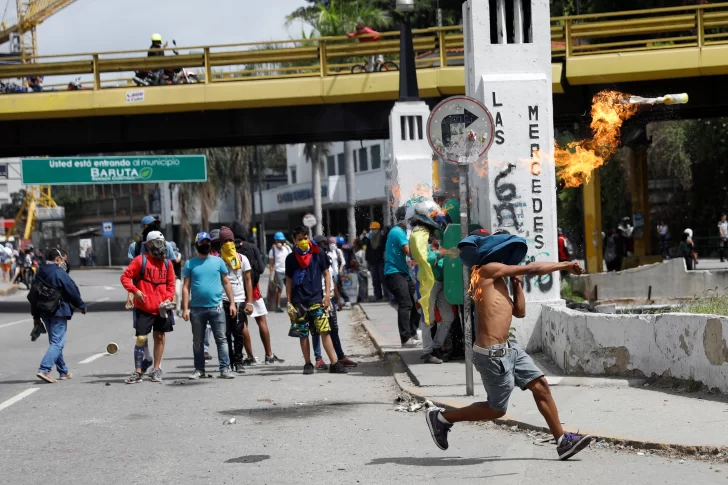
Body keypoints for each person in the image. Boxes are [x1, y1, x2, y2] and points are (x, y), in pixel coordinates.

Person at [425, 232, 592, 460]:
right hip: (492, 355)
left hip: (509, 348)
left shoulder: (499, 277)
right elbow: (533, 269)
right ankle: (443, 418)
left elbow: (519, 312)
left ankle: (562, 441)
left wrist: (517, 285)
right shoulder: (484, 271)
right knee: (497, 409)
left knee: (540, 385)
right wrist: (564, 265)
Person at [285, 226, 348, 375]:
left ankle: (334, 363)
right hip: (299, 301)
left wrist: (327, 296)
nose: (303, 241)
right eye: (299, 239)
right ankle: (308, 363)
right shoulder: (291, 258)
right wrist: (289, 302)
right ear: (294, 241)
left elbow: (326, 274)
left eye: (305, 238)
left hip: (317, 300)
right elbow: (288, 281)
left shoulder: (317, 253)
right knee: (303, 333)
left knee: (325, 330)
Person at [120, 231, 176, 384]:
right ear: (149, 244)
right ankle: (138, 372)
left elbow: (171, 284)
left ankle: (156, 369)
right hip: (144, 308)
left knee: (159, 337)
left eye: (163, 242)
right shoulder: (140, 261)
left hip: (162, 308)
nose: (162, 246)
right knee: (141, 338)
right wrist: (135, 291)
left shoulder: (167, 263)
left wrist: (169, 299)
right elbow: (125, 277)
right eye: (158, 242)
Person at [181, 232, 237, 380]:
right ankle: (199, 370)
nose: (205, 244)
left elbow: (226, 282)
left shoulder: (218, 261)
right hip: (197, 309)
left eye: (207, 242)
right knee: (198, 342)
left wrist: (232, 303)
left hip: (217, 307)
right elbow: (186, 287)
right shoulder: (189, 264)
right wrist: (185, 308)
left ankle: (224, 369)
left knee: (222, 339)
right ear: (196, 244)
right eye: (202, 242)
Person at [32, 248, 87, 383]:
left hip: (44, 311)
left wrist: (36, 316)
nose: (64, 263)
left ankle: (63, 371)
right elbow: (71, 290)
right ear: (57, 259)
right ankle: (44, 369)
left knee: (54, 342)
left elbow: (33, 295)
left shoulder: (39, 272)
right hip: (58, 311)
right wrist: (81, 305)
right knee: (58, 342)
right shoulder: (59, 272)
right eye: (64, 260)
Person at [232, 227, 284, 366]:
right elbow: (261, 268)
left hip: (237, 292)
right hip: (254, 290)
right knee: (261, 321)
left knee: (243, 324)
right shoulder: (252, 247)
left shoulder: (229, 249)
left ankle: (250, 357)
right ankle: (269, 355)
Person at [408, 201, 452, 364]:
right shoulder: (418, 234)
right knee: (428, 318)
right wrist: (439, 254)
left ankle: (437, 347)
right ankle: (428, 351)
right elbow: (424, 258)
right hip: (429, 281)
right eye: (433, 215)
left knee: (448, 317)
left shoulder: (430, 232)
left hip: (440, 278)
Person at [311, 235, 359, 370]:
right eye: (322, 244)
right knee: (317, 331)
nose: (325, 246)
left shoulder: (328, 259)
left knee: (333, 329)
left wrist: (338, 300)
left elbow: (332, 281)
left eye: (325, 244)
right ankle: (319, 359)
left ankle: (340, 357)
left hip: (330, 297)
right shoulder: (313, 260)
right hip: (318, 298)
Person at [217, 226, 255, 373]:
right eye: (225, 240)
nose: (228, 243)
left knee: (238, 333)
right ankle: (229, 361)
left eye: (230, 240)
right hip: (222, 300)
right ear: (221, 243)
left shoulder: (242, 259)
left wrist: (250, 302)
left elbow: (248, 281)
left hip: (239, 299)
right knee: (225, 334)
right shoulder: (218, 260)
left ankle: (239, 361)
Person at [384, 206, 421, 347]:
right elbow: (408, 251)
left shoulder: (403, 231)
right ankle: (405, 339)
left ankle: (413, 332)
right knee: (405, 304)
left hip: (403, 273)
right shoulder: (397, 232)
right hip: (394, 273)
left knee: (417, 301)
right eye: (411, 219)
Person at [361, 221, 387, 301]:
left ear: (378, 229)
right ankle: (378, 295)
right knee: (375, 279)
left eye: (374, 229)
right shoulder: (369, 238)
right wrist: (364, 236)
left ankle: (386, 295)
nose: (373, 230)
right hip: (372, 262)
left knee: (383, 279)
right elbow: (365, 246)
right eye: (372, 229)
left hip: (381, 261)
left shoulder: (382, 237)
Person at [269, 232, 292, 313]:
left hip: (287, 271)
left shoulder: (287, 249)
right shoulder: (273, 251)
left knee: (290, 288)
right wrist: (271, 275)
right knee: (280, 289)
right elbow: (271, 264)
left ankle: (290, 304)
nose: (280, 243)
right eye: (279, 241)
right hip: (279, 271)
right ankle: (278, 306)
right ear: (275, 241)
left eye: (282, 241)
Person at [328, 236, 351, 308]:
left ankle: (347, 300)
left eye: (333, 243)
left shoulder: (338, 251)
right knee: (333, 288)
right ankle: (335, 302)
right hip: (330, 273)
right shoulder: (327, 252)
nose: (332, 244)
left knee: (339, 287)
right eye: (331, 243)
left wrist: (340, 270)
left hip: (337, 272)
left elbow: (343, 262)